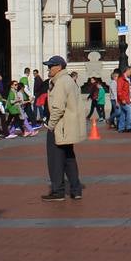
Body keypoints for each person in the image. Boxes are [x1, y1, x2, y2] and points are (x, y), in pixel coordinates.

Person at [43, 56, 87, 201]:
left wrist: (50, 125)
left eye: (51, 66)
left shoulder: (60, 82)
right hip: (69, 127)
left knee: (55, 160)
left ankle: (58, 191)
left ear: (59, 67)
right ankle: (76, 189)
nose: (48, 69)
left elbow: (58, 108)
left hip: (59, 128)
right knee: (69, 158)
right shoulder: (69, 80)